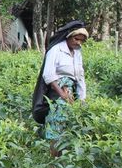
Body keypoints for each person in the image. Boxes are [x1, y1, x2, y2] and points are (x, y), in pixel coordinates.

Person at [38, 23, 89, 156]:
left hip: (71, 91)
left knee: (69, 123)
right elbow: (48, 74)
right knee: (57, 122)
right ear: (68, 37)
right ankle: (54, 156)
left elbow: (80, 75)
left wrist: (82, 98)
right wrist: (62, 94)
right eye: (76, 39)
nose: (78, 42)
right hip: (57, 92)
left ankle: (65, 156)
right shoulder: (56, 50)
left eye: (81, 40)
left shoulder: (77, 52)